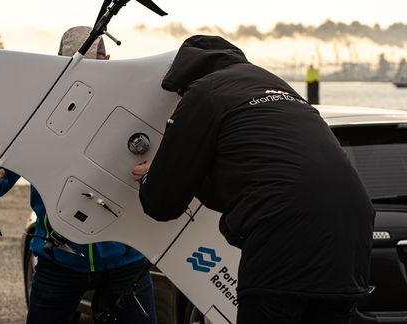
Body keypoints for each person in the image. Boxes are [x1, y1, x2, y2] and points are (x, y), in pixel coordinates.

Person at [132, 35, 374, 324]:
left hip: (284, 236)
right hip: (352, 233)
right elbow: (253, 178)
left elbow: (161, 203)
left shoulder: (202, 92)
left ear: (184, 76)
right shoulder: (279, 86)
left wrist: (156, 173)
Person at [0, 26, 156, 324]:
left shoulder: (136, 109)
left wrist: (156, 169)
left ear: (107, 60)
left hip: (126, 258)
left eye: (89, 66)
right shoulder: (39, 114)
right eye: (69, 65)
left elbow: (172, 156)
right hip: (59, 259)